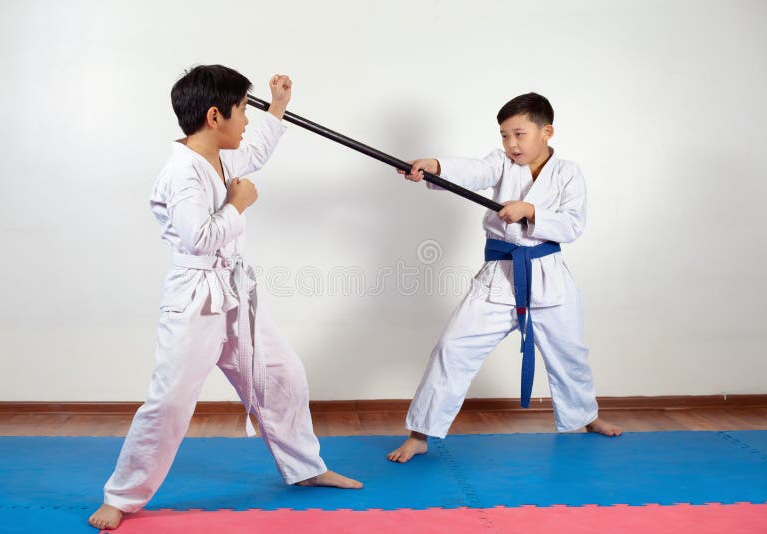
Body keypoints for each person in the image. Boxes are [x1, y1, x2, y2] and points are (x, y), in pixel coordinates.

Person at [89, 65, 361, 531]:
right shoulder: (182, 173)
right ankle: (121, 495)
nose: (246, 121)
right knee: (170, 401)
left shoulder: (218, 155)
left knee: (283, 376)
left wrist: (276, 109)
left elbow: (252, 150)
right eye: (242, 112)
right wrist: (239, 204)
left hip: (234, 292)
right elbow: (198, 239)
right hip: (195, 298)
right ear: (215, 116)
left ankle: (305, 468)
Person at [388, 92, 622, 464]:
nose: (510, 144)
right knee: (453, 348)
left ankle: (586, 417)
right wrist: (434, 165)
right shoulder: (499, 164)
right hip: (499, 274)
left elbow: (573, 224)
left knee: (569, 353)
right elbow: (472, 172)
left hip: (548, 276)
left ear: (547, 132)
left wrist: (531, 210)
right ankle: (421, 433)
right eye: (504, 136)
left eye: (519, 134)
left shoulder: (568, 173)